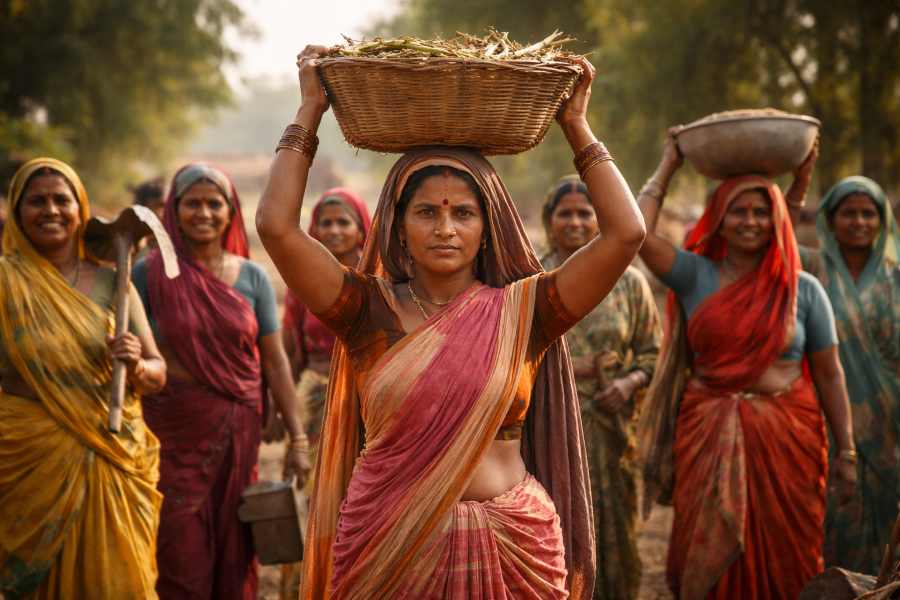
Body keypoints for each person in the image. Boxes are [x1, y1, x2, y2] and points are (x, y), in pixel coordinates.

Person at [256, 47, 647, 599]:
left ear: (488, 229)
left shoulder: (524, 312)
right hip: (389, 546)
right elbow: (276, 227)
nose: (445, 228)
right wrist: (310, 110)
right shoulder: (368, 311)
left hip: (513, 544)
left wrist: (577, 126)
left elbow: (626, 235)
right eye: (427, 212)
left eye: (463, 213)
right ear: (399, 225)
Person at [637, 133, 857, 600]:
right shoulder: (695, 274)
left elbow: (830, 375)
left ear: (775, 219)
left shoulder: (804, 290)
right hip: (708, 432)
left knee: (787, 555)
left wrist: (848, 452)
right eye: (739, 211)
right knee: (703, 555)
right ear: (719, 218)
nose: (751, 221)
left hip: (789, 439)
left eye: (761, 212)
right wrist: (668, 165)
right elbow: (636, 235)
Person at [132, 163, 310, 599]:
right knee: (179, 550)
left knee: (235, 546)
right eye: (193, 203)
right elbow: (135, 353)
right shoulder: (146, 273)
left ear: (231, 211)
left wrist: (298, 437)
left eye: (215, 204)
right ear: (174, 210)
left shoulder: (252, 277)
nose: (204, 213)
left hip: (237, 431)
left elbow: (275, 363)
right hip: (172, 432)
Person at [0, 158, 167, 598]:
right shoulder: (4, 283)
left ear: (81, 209)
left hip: (110, 455)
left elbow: (157, 373)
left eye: (61, 199)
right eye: (36, 201)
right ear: (17, 213)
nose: (50, 210)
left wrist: (136, 364)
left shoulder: (116, 283)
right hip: (29, 459)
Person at [540, 174, 661, 600]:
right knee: (551, 524)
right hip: (547, 426)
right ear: (549, 220)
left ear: (600, 218)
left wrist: (628, 384)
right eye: (565, 213)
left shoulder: (629, 282)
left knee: (613, 525)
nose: (574, 222)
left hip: (611, 430)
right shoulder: (531, 277)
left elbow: (652, 351)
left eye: (584, 212)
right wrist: (568, 375)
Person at [802, 176, 900, 574]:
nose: (858, 221)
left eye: (868, 213)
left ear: (882, 221)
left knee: (886, 520)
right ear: (830, 219)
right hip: (823, 418)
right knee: (827, 516)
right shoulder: (810, 268)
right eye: (848, 213)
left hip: (890, 427)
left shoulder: (896, 279)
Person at [279, 188, 370, 600]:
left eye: (343, 222)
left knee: (362, 494)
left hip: (369, 401)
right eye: (325, 223)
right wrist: (281, 417)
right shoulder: (304, 278)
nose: (333, 231)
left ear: (361, 230)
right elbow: (290, 350)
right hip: (315, 400)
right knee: (317, 494)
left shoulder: (380, 281)